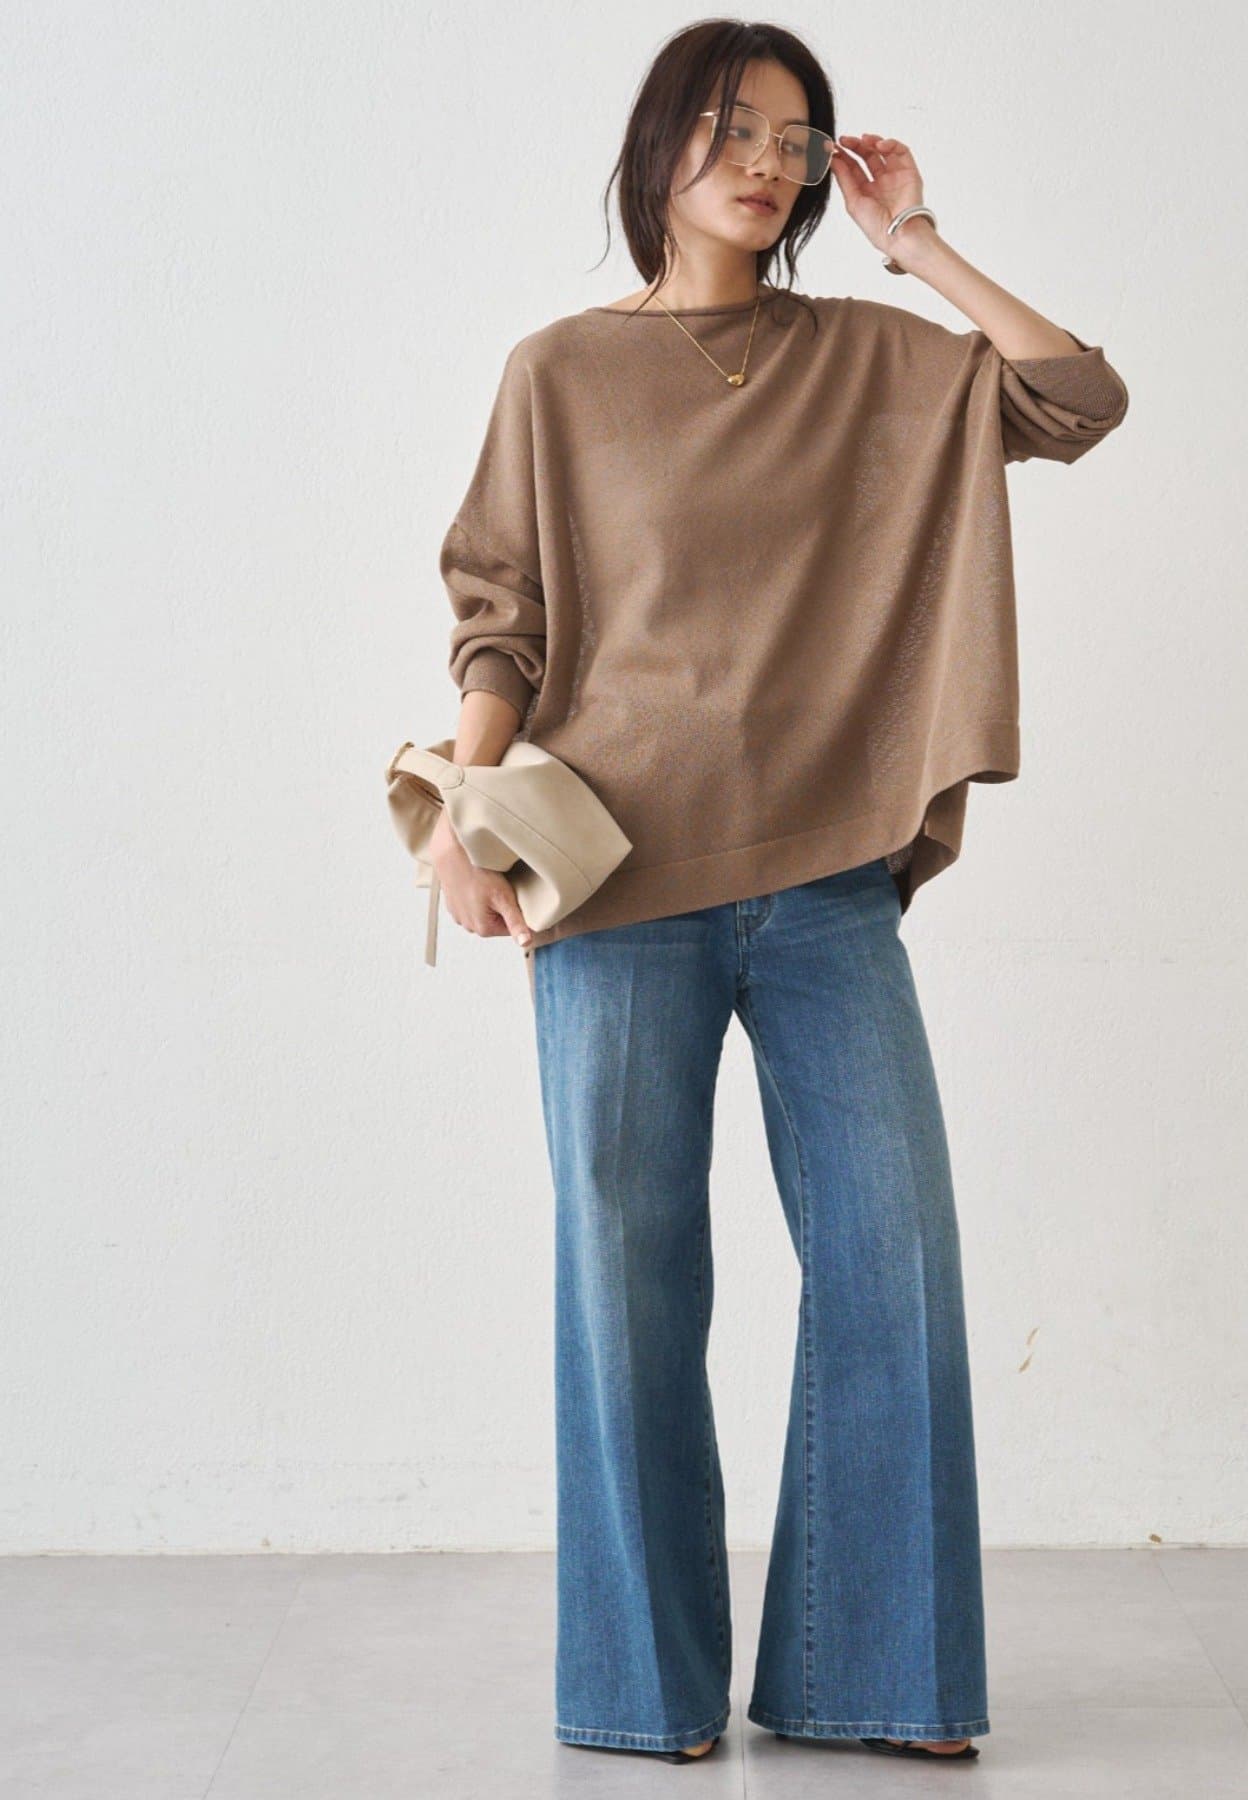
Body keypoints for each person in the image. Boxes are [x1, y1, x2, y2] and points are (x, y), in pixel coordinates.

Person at [426, 18, 1128, 1767]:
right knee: (629, 1283)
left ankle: (868, 1672)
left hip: (823, 880)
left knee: (891, 1258)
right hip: (613, 876)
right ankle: (642, 1694)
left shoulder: (871, 358)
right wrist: (462, 805)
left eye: (797, 139)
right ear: (659, 142)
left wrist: (916, 240)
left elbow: (1076, 400)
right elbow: (502, 613)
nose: (766, 159)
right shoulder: (560, 372)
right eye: (733, 127)